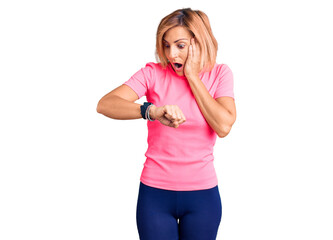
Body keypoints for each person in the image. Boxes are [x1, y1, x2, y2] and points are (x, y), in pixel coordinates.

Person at [97, 7, 236, 240]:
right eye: (166, 45)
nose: (171, 54)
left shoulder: (220, 74)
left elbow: (223, 126)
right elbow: (106, 104)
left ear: (199, 42)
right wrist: (150, 110)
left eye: (180, 46)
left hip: (203, 196)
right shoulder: (153, 73)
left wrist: (192, 77)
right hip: (155, 195)